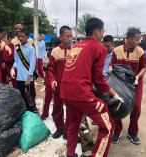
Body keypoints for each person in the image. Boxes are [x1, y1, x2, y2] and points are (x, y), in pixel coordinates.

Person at [60, 18, 123, 157]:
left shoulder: (76, 46)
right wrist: (114, 94)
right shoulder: (98, 47)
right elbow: (98, 80)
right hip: (81, 94)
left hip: (66, 92)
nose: (102, 34)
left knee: (73, 125)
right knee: (107, 127)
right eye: (102, 31)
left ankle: (70, 154)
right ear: (96, 32)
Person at [109, 28, 146, 145]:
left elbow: (145, 67)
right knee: (117, 106)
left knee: (136, 108)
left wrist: (137, 76)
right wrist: (110, 68)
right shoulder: (117, 50)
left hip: (136, 85)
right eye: (137, 39)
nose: (139, 41)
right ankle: (117, 130)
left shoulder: (140, 51)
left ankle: (132, 132)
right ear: (129, 39)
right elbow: (112, 63)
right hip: (120, 85)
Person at [47, 26, 72, 139]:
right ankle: (60, 128)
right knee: (57, 108)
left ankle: (68, 131)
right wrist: (52, 80)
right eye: (68, 36)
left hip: (71, 87)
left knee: (71, 110)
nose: (70, 38)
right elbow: (51, 68)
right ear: (61, 37)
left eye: (71, 36)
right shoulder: (55, 51)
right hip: (58, 86)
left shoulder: (75, 51)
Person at [10, 28, 38, 112]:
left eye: (23, 36)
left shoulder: (31, 48)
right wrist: (13, 68)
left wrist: (29, 77)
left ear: (27, 37)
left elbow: (33, 64)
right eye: (20, 36)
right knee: (21, 98)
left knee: (29, 98)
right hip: (19, 77)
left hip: (28, 78)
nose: (21, 38)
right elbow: (16, 61)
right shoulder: (17, 47)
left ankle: (30, 115)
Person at [40, 36, 61, 120]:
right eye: (51, 46)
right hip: (49, 79)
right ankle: (45, 114)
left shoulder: (61, 54)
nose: (52, 47)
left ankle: (56, 115)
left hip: (57, 79)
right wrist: (45, 65)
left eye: (54, 46)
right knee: (47, 98)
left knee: (57, 100)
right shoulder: (48, 54)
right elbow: (45, 69)